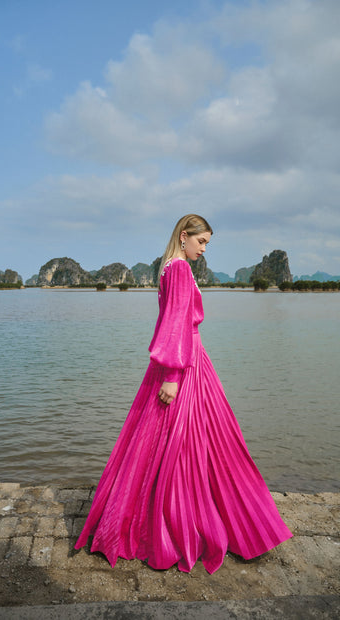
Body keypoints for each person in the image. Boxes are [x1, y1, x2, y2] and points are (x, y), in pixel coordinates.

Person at [75, 214, 292, 574]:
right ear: (184, 236)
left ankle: (178, 510)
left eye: (207, 243)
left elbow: (171, 320)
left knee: (185, 440)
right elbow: (174, 320)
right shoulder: (178, 269)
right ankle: (189, 520)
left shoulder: (170, 267)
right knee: (194, 442)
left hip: (187, 360)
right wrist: (173, 375)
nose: (203, 249)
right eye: (201, 241)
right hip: (184, 364)